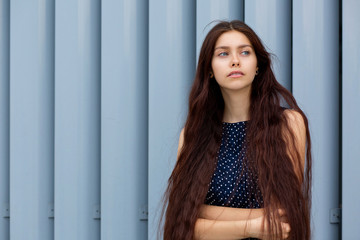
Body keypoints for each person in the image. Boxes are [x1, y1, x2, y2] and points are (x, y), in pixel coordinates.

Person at [162, 20, 312, 240]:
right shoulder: (192, 135)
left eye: (244, 52)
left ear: (257, 65)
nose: (235, 61)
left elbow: (283, 218)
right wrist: (252, 226)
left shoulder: (288, 123)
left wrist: (202, 215)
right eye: (223, 54)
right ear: (210, 69)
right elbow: (180, 221)